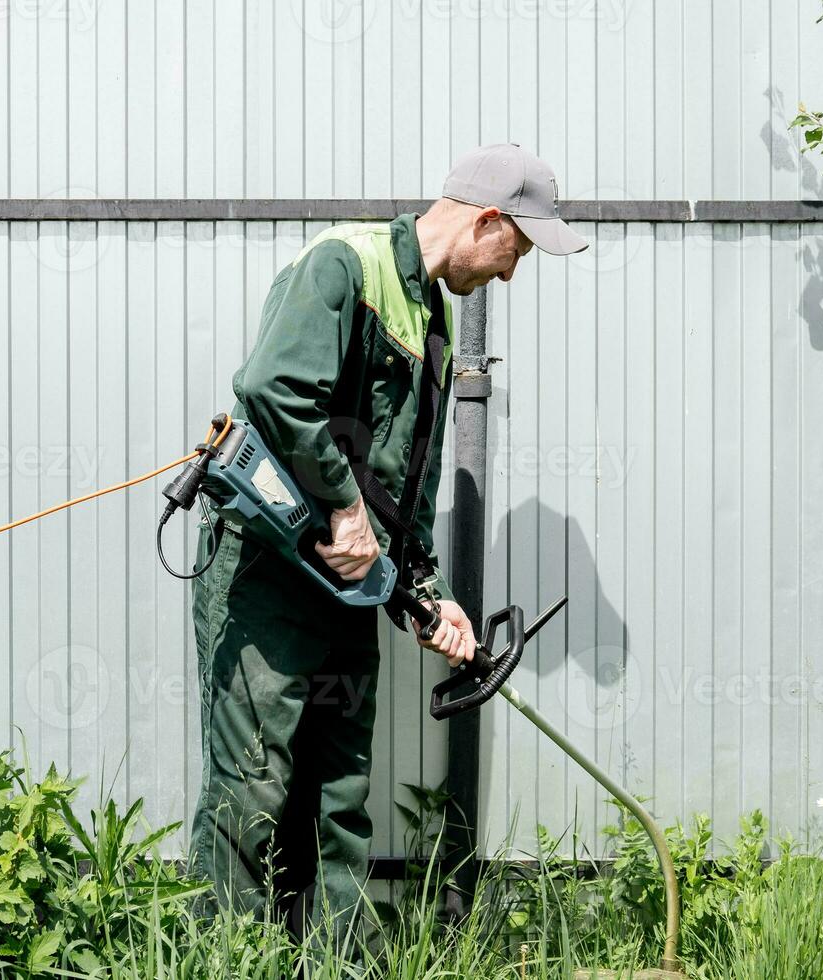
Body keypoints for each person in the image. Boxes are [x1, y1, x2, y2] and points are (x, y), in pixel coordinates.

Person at [187, 144, 588, 947]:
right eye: (518, 249)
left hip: (348, 592)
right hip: (269, 578)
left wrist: (429, 595)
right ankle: (227, 960)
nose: (511, 275)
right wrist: (340, 509)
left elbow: (404, 490)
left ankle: (336, 964)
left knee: (338, 793)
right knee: (254, 792)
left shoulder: (430, 321)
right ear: (486, 220)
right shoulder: (343, 267)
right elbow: (272, 387)